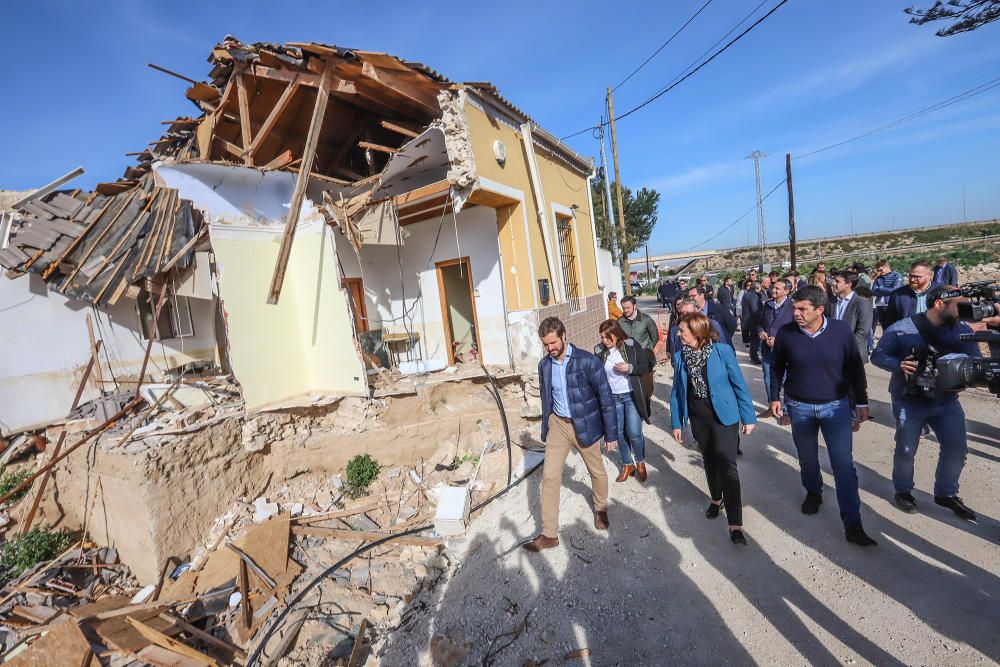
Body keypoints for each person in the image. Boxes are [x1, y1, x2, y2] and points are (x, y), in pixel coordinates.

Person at [770, 286, 876, 547]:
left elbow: (854, 367)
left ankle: (852, 522)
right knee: (807, 459)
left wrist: (861, 400)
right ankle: (814, 491)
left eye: (802, 309)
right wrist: (775, 397)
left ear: (820, 309)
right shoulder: (786, 333)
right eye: (794, 308)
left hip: (836, 408)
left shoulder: (840, 331)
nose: (796, 313)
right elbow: (776, 368)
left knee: (843, 465)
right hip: (799, 407)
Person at [871, 286, 981, 520]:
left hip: (947, 400)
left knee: (957, 449)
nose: (964, 309)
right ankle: (903, 491)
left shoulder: (962, 329)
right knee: (906, 450)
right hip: (909, 400)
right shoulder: (902, 328)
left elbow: (976, 361)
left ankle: (946, 493)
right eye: (958, 304)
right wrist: (898, 364)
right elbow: (878, 355)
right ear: (940, 303)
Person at [524, 317, 618, 552]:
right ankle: (548, 534)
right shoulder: (545, 365)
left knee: (596, 470)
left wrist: (611, 434)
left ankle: (601, 509)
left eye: (553, 343)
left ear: (564, 336)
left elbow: (606, 398)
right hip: (558, 424)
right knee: (550, 477)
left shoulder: (588, 361)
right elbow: (547, 398)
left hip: (585, 423)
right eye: (546, 345)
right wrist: (546, 426)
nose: (550, 348)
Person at [669, 313, 757, 545]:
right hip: (699, 416)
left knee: (727, 465)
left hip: (724, 415)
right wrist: (677, 422)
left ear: (698, 332)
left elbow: (739, 384)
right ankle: (716, 499)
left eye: (683, 331)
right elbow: (677, 392)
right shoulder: (680, 357)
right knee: (709, 460)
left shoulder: (722, 352)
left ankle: (735, 524)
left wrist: (748, 416)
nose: (679, 335)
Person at [595, 319, 653, 482]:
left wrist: (630, 368)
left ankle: (640, 461)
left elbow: (646, 365)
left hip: (630, 395)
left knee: (634, 432)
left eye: (608, 337)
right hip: (612, 398)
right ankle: (628, 464)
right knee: (619, 432)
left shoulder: (630, 345)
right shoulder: (599, 351)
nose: (604, 341)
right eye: (602, 337)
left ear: (617, 334)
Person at [756, 278, 794, 421]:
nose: (773, 290)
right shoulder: (768, 304)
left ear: (787, 291)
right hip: (767, 350)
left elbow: (796, 329)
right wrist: (761, 332)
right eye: (773, 287)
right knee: (768, 379)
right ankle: (772, 406)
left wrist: (778, 341)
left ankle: (787, 411)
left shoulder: (792, 306)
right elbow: (760, 324)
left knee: (786, 381)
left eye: (777, 288)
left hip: (784, 351)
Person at [830, 271, 874, 362]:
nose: (833, 283)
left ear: (848, 284)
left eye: (837, 281)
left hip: (853, 354)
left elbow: (863, 331)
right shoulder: (831, 302)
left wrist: (845, 346)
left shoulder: (862, 303)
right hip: (832, 352)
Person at [885, 260, 942, 328]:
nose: (912, 279)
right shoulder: (898, 295)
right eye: (911, 275)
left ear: (930, 275)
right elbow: (890, 322)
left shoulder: (942, 292)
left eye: (917, 277)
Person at [871, 259, 904, 337]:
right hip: (880, 306)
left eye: (880, 270)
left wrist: (880, 288)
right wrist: (885, 290)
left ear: (886, 267)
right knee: (884, 327)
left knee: (892, 327)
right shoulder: (878, 278)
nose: (879, 272)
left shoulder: (897, 276)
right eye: (878, 270)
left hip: (891, 304)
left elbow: (895, 290)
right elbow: (873, 291)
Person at [741, 281, 764, 364]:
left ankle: (753, 356)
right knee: (755, 340)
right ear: (757, 288)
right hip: (754, 321)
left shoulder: (746, 294)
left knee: (753, 340)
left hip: (748, 320)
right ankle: (754, 358)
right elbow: (755, 310)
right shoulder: (754, 296)